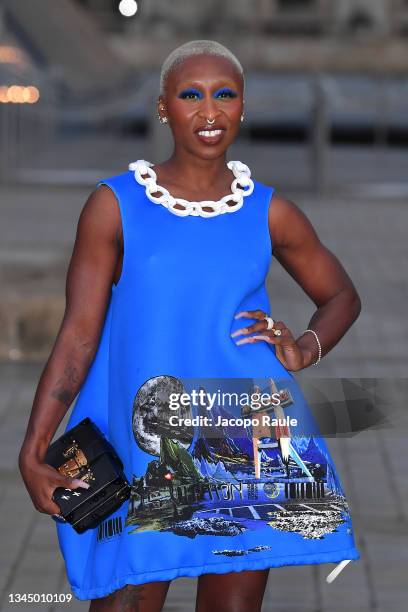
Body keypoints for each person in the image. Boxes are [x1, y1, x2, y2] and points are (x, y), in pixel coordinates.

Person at [18, 40, 362, 611]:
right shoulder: (115, 204)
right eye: (191, 95)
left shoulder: (269, 211)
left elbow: (341, 296)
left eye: (225, 95)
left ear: (243, 106)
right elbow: (78, 336)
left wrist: (305, 346)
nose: (210, 111)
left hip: (249, 442)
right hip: (142, 444)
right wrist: (33, 450)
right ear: (163, 108)